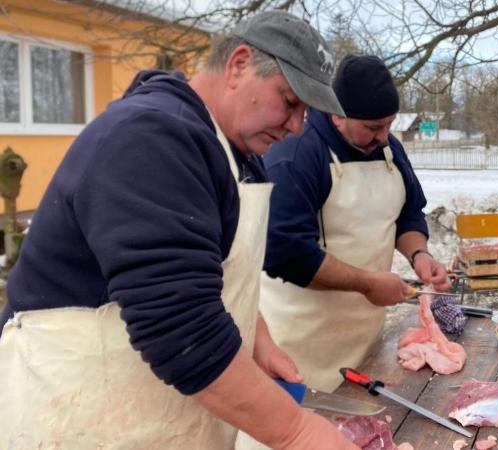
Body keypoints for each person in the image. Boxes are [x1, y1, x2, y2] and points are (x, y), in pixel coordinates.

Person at [0, 10, 358, 450]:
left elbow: (208, 267)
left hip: (157, 411)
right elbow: (179, 326)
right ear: (239, 64)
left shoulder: (234, 149)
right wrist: (296, 431)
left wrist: (257, 335)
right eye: (289, 101)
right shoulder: (151, 137)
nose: (298, 125)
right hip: (78, 417)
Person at [258, 54, 451, 392]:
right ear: (337, 116)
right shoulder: (296, 154)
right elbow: (289, 254)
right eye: (373, 127)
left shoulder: (389, 148)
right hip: (297, 342)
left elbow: (408, 214)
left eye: (389, 124)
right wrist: (367, 284)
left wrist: (419, 254)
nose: (384, 136)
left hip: (363, 336)